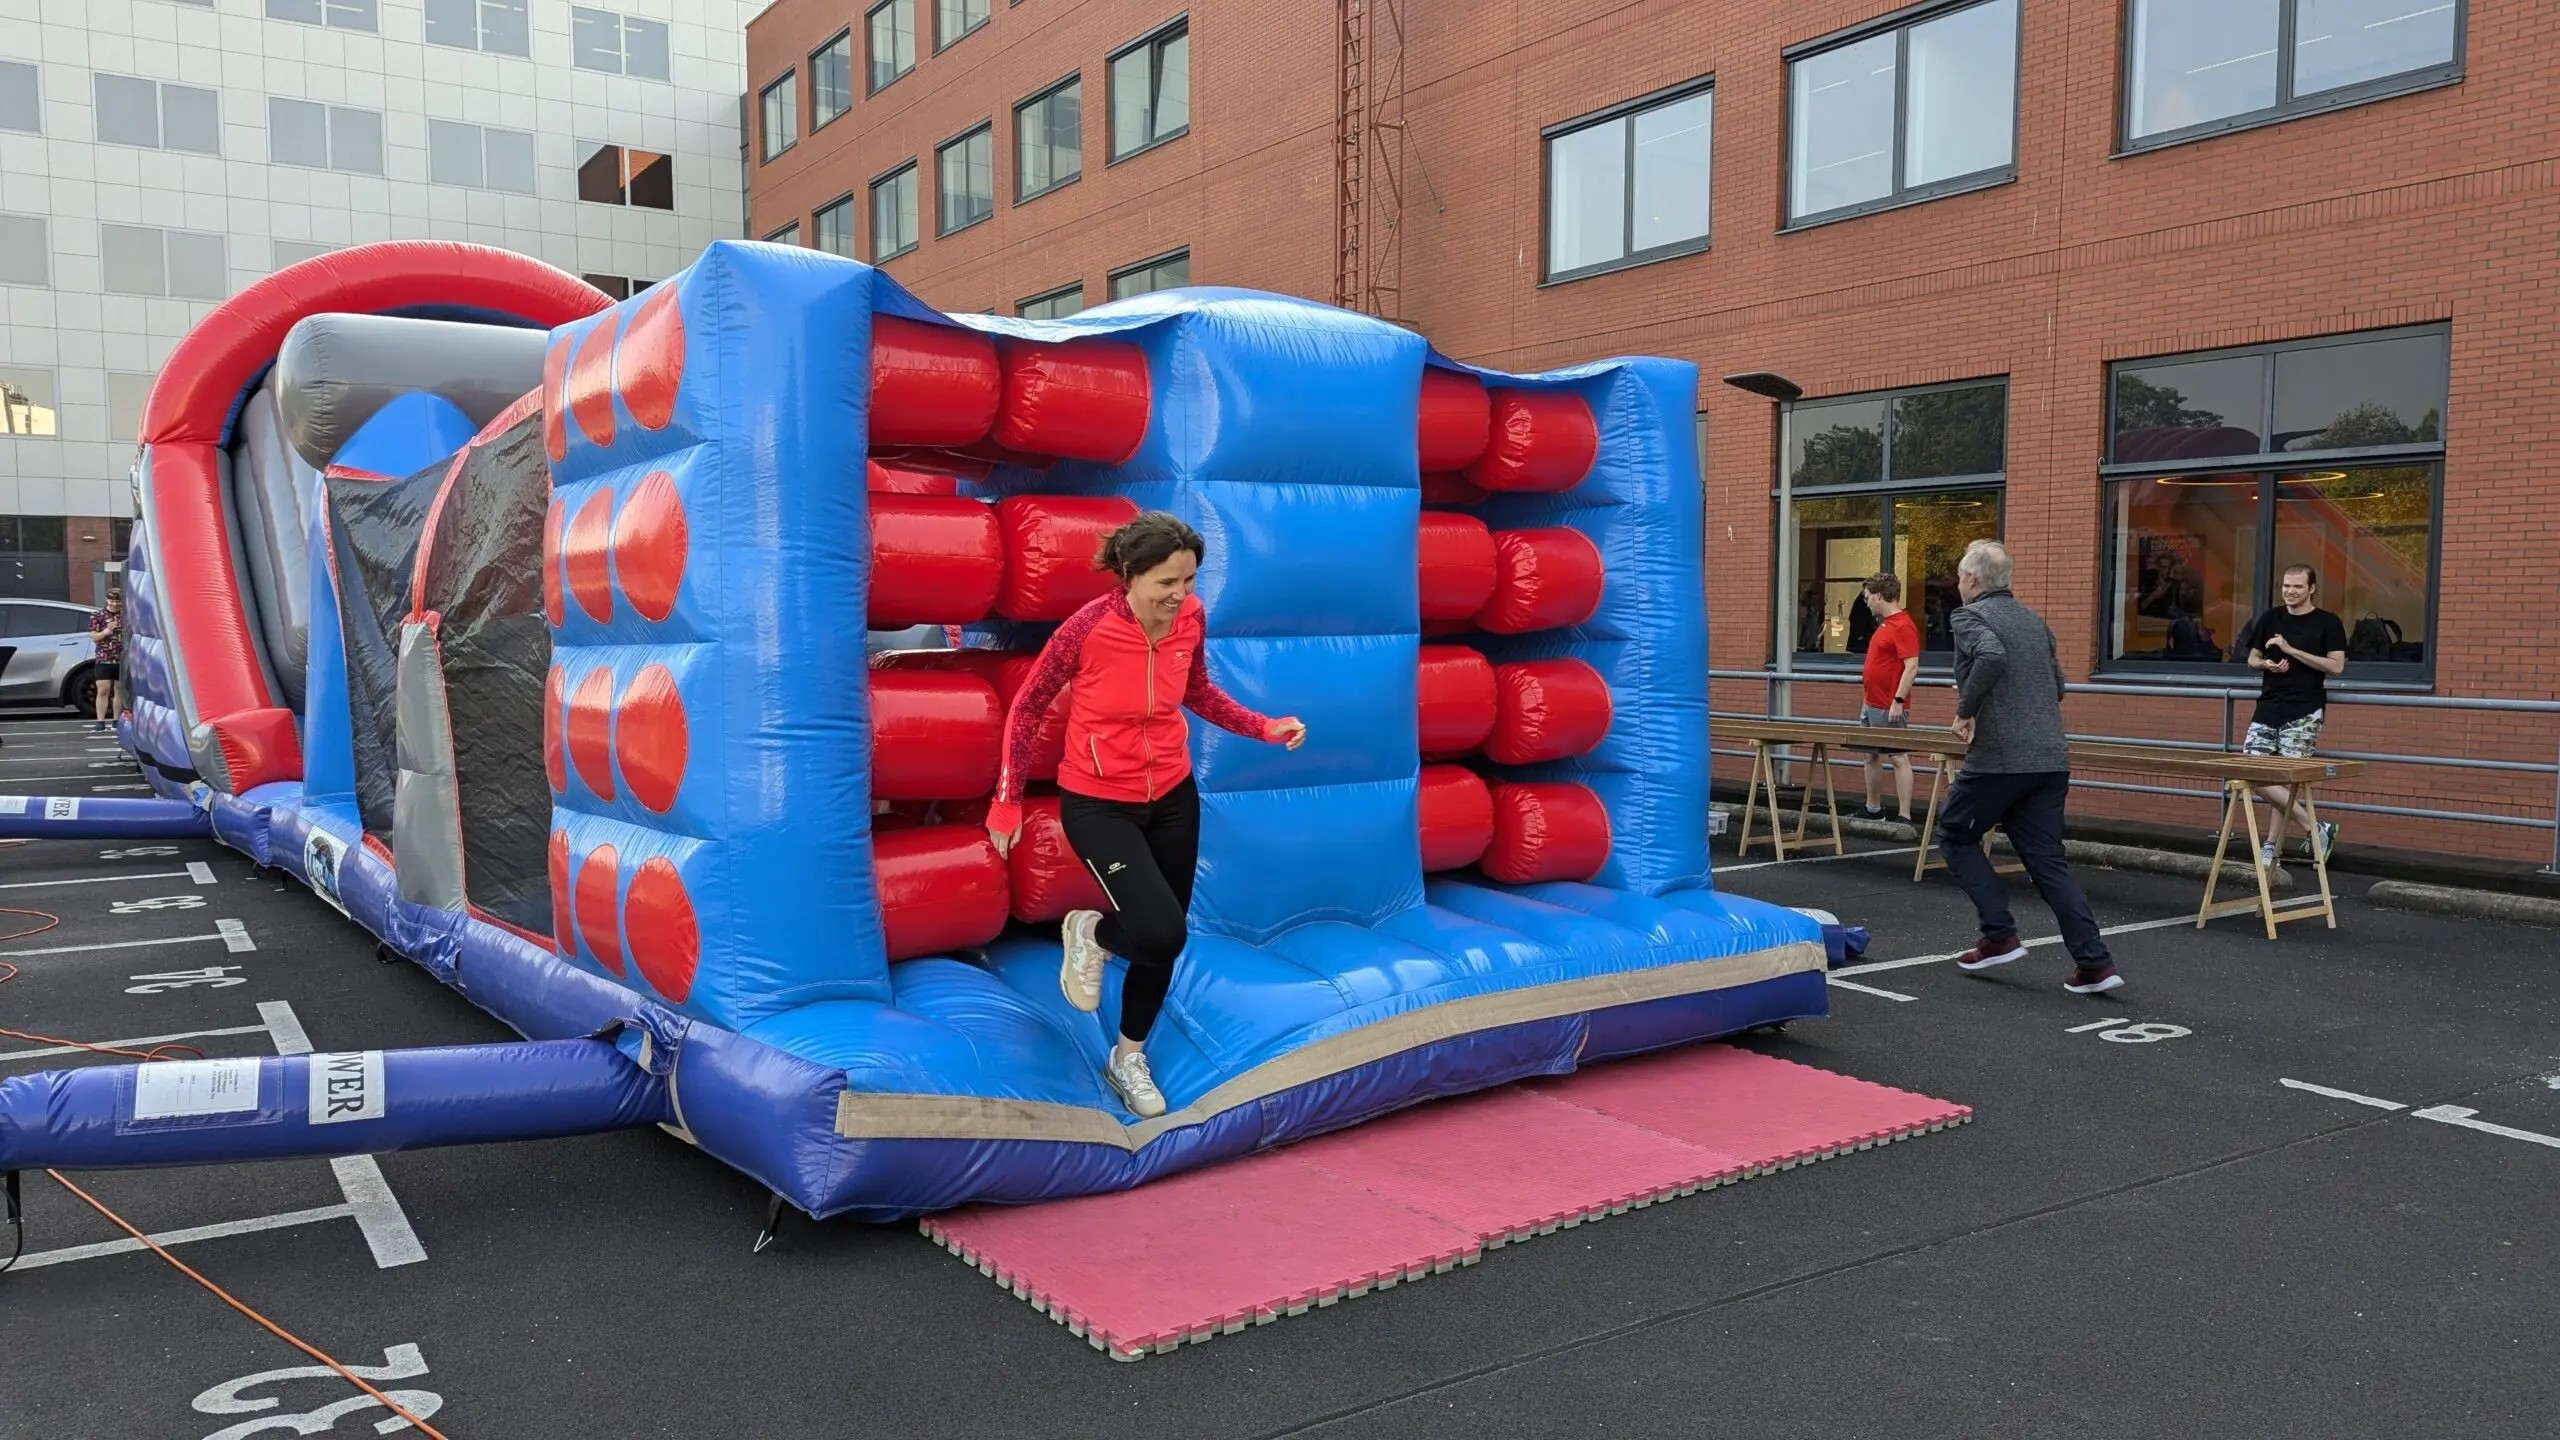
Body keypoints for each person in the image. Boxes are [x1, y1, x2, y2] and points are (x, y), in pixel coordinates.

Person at [986, 512, 1307, 1119]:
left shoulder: (1190, 619)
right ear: (1129, 575)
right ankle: (1091, 930)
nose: (1179, 596)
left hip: (1173, 798)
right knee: (1158, 929)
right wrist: (1007, 801)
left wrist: (1263, 727)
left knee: (1164, 942)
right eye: (1167, 582)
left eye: (1189, 581)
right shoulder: (1086, 630)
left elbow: (1199, 692)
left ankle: (1127, 1057)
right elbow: (1026, 711)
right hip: (1099, 801)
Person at [1941, 540, 2123, 995]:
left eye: (1961, 575)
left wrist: (1966, 711)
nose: (1959, 583)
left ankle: (1999, 934)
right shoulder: (2033, 621)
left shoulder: (1968, 616)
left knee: (1954, 832)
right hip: (2049, 757)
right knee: (2047, 863)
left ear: (1973, 580)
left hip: (2001, 758)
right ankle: (2095, 964)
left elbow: (1991, 656)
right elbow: (2057, 684)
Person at [2237, 564, 2348, 868]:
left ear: (2312, 588)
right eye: (2286, 586)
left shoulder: (2328, 623)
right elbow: (2252, 658)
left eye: (2297, 587)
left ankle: (2272, 846)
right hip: (2268, 705)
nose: (2290, 592)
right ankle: (2315, 827)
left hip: (2304, 710)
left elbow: (2336, 666)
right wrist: (2266, 666)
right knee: (2251, 769)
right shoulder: (2270, 617)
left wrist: (2290, 649)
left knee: (2286, 779)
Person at [1854, 573, 1920, 826]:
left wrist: (1898, 700)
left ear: (1880, 596)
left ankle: (1904, 815)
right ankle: (1873, 807)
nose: (1867, 602)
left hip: (1888, 704)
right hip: (1871, 701)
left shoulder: (1903, 625)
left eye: (1869, 598)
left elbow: (1911, 666)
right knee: (1870, 754)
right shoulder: (1885, 624)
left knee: (1897, 756)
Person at [87, 591, 125, 734]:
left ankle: (116, 720)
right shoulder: (97, 615)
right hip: (104, 657)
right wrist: (107, 631)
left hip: (122, 657)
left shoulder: (125, 615)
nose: (114, 604)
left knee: (119, 689)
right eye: (111, 601)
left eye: (117, 601)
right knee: (103, 689)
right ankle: (100, 721)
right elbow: (94, 636)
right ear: (106, 600)